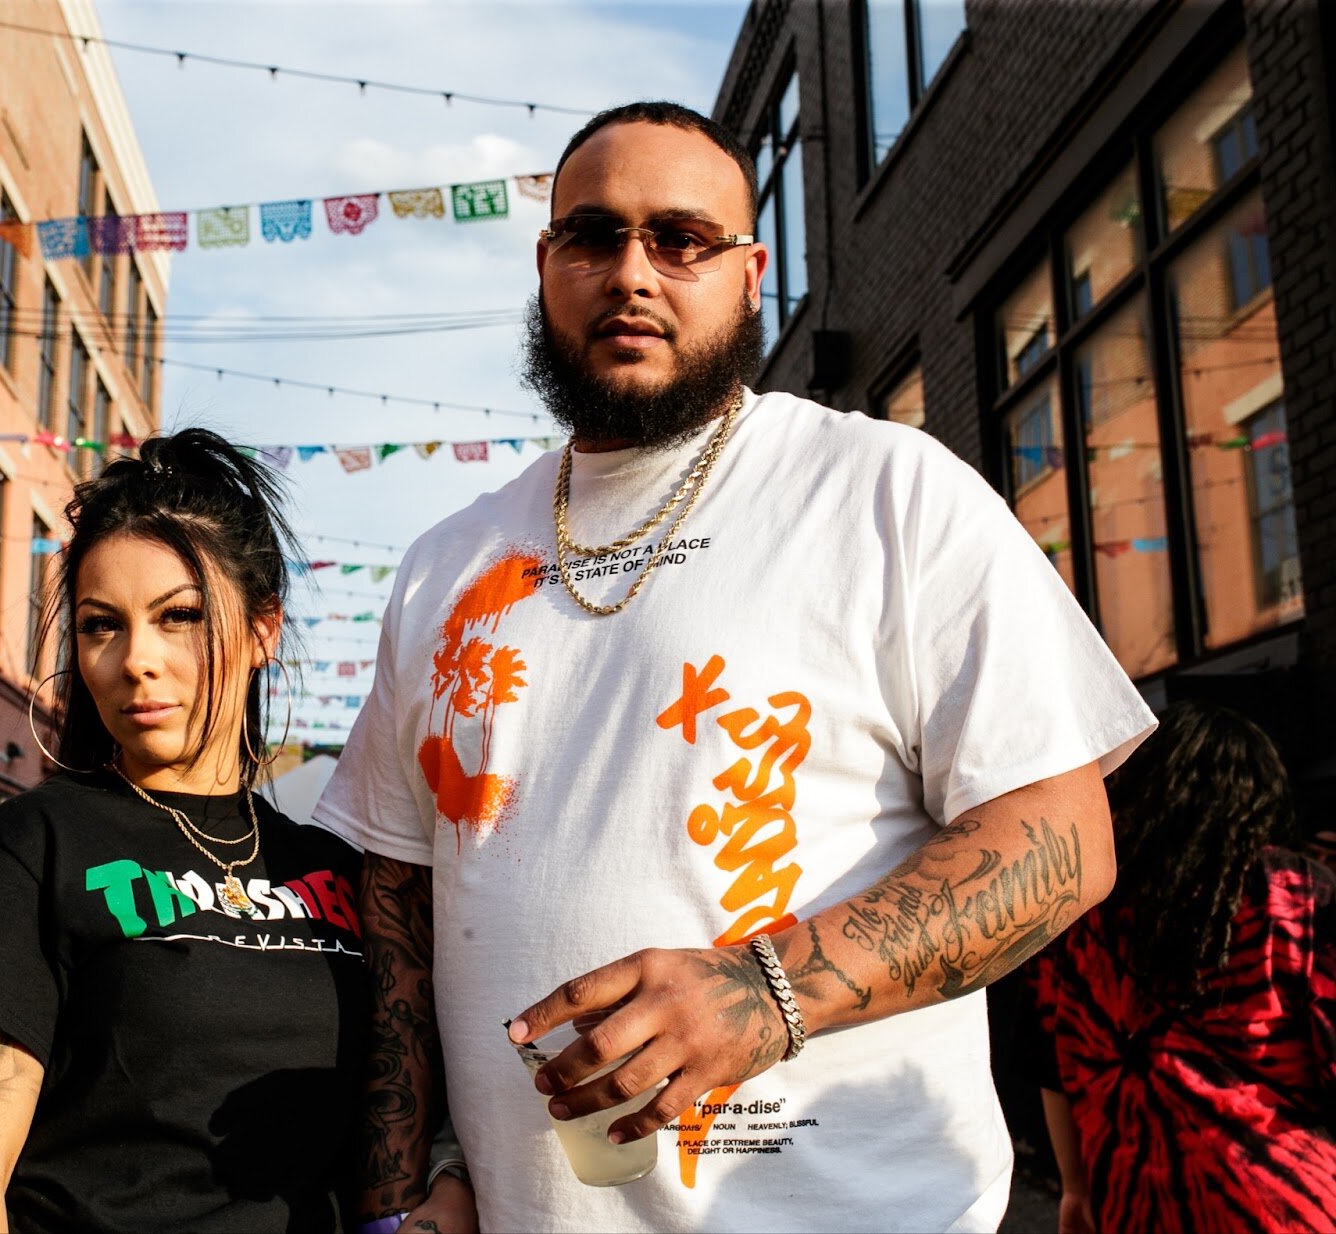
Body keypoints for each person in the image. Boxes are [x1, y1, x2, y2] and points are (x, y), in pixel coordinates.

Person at [312, 101, 1158, 1232]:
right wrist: (394, 1203)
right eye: (592, 236)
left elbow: (1062, 838)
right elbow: (398, 905)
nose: (631, 273)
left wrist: (763, 994)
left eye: (680, 239)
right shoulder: (444, 565)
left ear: (751, 273)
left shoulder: (883, 491)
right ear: (544, 262)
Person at [0, 430, 474, 1234]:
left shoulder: (337, 864)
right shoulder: (36, 845)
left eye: (178, 616)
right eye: (102, 626)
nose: (136, 659)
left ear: (262, 630)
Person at [1030, 701, 1336, 1232]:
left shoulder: (1077, 914)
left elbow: (1046, 1063)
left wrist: (1076, 1190)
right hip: (1287, 1203)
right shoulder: (1298, 897)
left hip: (1132, 1204)